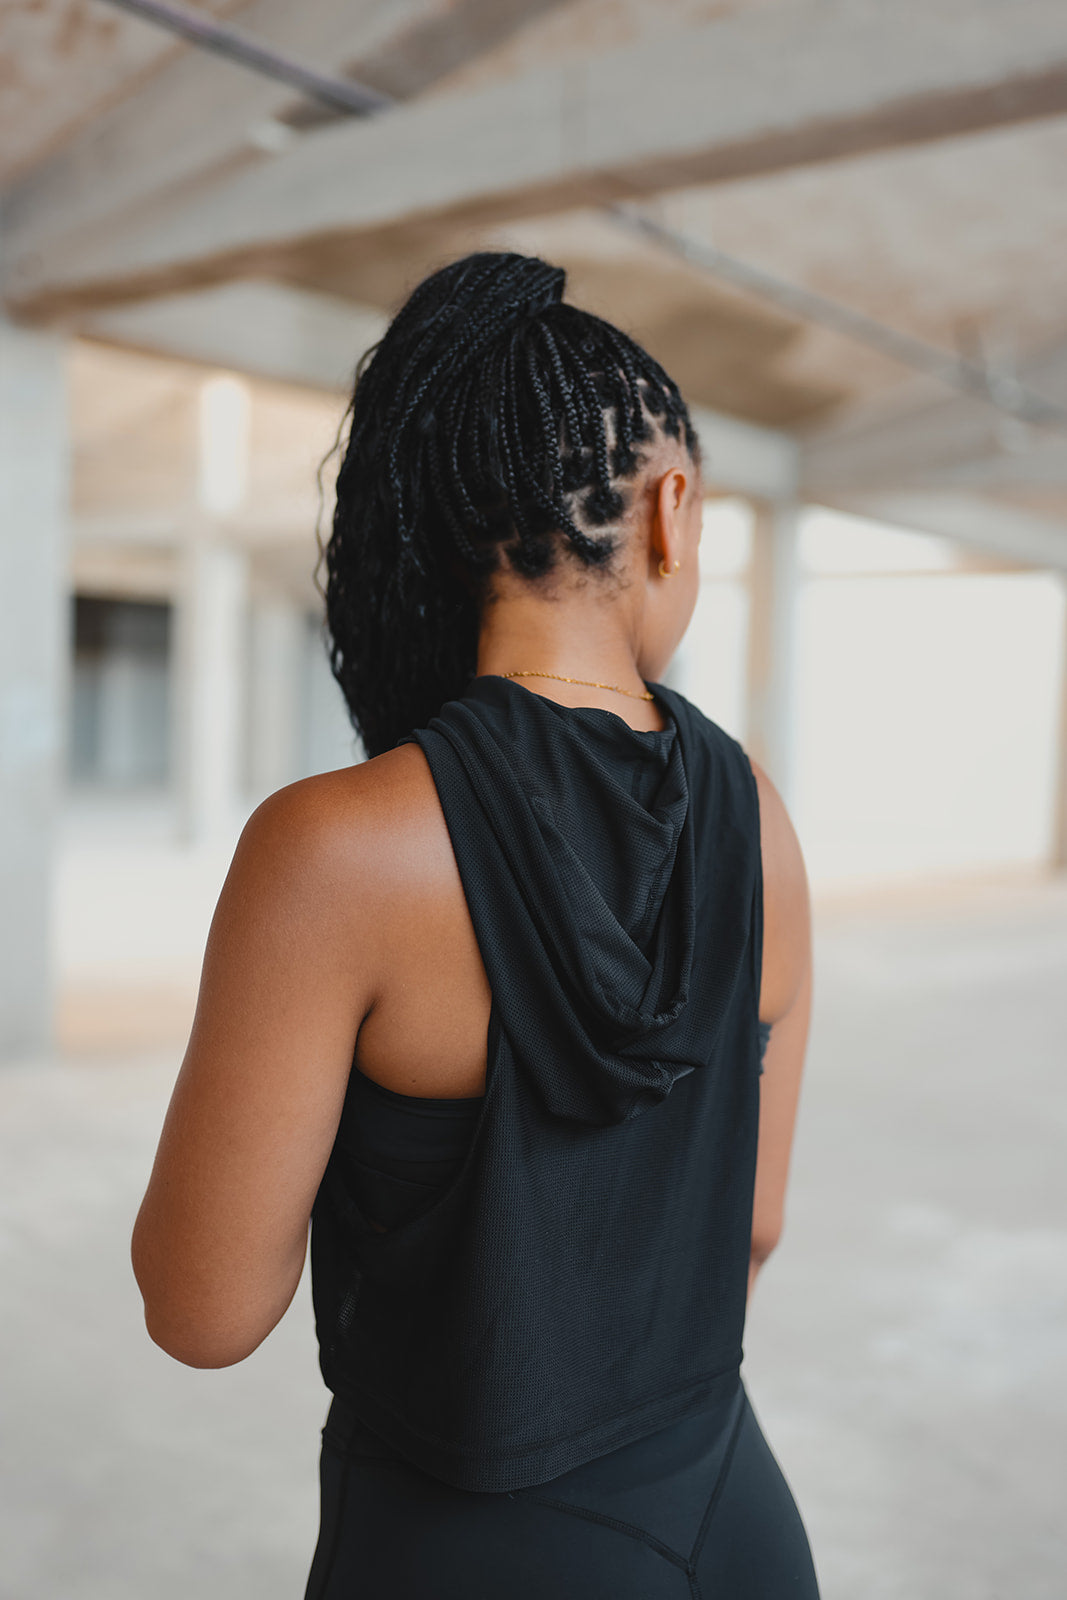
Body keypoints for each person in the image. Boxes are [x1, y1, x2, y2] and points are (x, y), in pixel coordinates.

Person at [132, 251, 819, 1598]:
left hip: (468, 1552)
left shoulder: (338, 847)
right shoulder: (759, 814)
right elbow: (753, 1225)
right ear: (670, 513)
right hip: (729, 1521)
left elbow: (202, 1312)